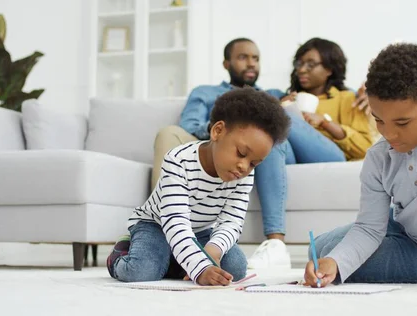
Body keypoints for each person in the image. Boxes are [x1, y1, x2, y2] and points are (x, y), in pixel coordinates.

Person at [303, 43, 417, 294]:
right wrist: (334, 263)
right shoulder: (379, 156)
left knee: (331, 254)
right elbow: (369, 228)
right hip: (405, 228)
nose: (389, 134)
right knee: (324, 251)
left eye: (402, 122)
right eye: (379, 120)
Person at [107, 88, 290, 285]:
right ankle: (125, 252)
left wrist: (214, 249)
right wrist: (200, 267)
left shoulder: (244, 174)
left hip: (200, 230)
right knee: (142, 270)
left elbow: (232, 221)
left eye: (254, 163)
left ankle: (176, 259)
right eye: (241, 153)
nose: (244, 167)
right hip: (158, 225)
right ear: (217, 131)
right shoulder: (178, 160)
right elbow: (175, 222)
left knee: (236, 267)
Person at [248, 38, 379, 269]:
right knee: (271, 141)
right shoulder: (288, 97)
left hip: (332, 154)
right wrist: (280, 104)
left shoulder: (348, 99)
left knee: (283, 117)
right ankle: (276, 244)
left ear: (329, 69)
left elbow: (365, 146)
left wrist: (325, 123)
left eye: (311, 64)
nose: (302, 69)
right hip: (293, 152)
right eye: (299, 63)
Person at [152, 38, 284, 187]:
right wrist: (222, 130)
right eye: (243, 57)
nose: (251, 63)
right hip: (209, 143)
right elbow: (189, 125)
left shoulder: (273, 96)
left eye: (256, 58)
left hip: (252, 150)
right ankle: (163, 206)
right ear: (226, 64)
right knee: (169, 133)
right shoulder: (205, 92)